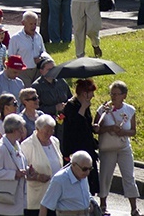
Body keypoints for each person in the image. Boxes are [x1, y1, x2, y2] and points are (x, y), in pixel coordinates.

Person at [94, 81, 140, 216]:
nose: (113, 97)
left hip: (123, 146)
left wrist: (123, 132)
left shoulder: (129, 110)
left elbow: (133, 131)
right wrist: (109, 128)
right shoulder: (103, 109)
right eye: (111, 94)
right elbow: (96, 128)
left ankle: (134, 208)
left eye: (116, 94)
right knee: (105, 176)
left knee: (129, 176)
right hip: (108, 148)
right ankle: (103, 205)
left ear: (123, 96)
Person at [61, 78, 100, 195]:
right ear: (85, 93)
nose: (93, 95)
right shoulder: (70, 105)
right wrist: (83, 107)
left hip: (87, 145)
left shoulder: (86, 106)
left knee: (90, 178)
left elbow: (85, 124)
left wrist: (93, 127)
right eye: (91, 93)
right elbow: (75, 125)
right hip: (75, 147)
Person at [0, 113, 29, 216]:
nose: (22, 132)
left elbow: (19, 164)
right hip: (2, 203)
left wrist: (27, 170)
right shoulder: (0, 148)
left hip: (15, 201)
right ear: (14, 130)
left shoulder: (16, 144)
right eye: (21, 129)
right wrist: (14, 174)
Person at [22, 115, 63, 216]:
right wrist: (38, 176)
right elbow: (22, 171)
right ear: (37, 129)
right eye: (46, 131)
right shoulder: (27, 145)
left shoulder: (55, 141)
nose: (49, 134)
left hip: (55, 196)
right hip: (36, 197)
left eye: (52, 130)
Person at [39, 150, 94, 216]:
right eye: (84, 169)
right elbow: (45, 205)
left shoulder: (83, 176)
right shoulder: (59, 180)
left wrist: (91, 203)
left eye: (90, 169)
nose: (87, 172)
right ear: (73, 164)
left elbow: (85, 194)